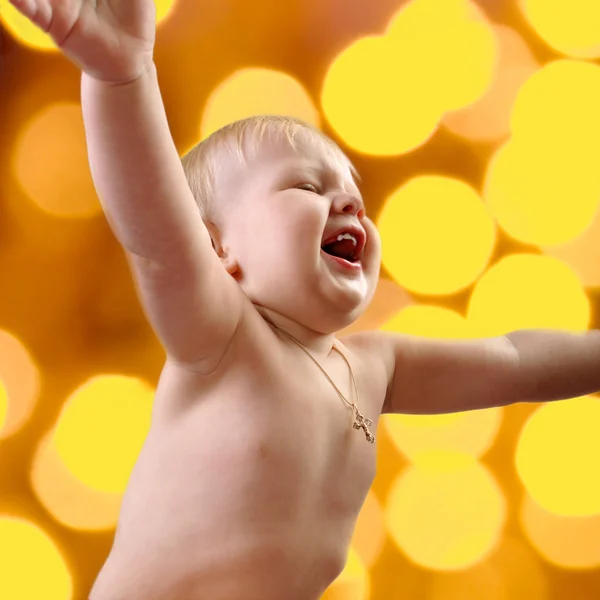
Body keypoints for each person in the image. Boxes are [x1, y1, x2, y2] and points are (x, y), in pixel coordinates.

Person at [11, 0, 600, 598]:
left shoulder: (375, 367)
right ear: (217, 252)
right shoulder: (224, 336)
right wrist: (122, 75)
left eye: (353, 197)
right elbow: (154, 228)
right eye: (306, 186)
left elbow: (516, 362)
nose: (348, 204)